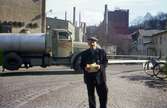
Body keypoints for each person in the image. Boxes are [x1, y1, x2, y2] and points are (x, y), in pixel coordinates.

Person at [80, 37, 108, 108]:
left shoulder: (102, 52)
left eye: (93, 42)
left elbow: (105, 62)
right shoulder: (84, 53)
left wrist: (100, 66)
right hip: (89, 78)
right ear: (88, 43)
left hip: (100, 78)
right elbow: (81, 64)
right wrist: (85, 68)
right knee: (91, 97)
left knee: (103, 95)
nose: (92, 43)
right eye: (90, 42)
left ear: (96, 43)